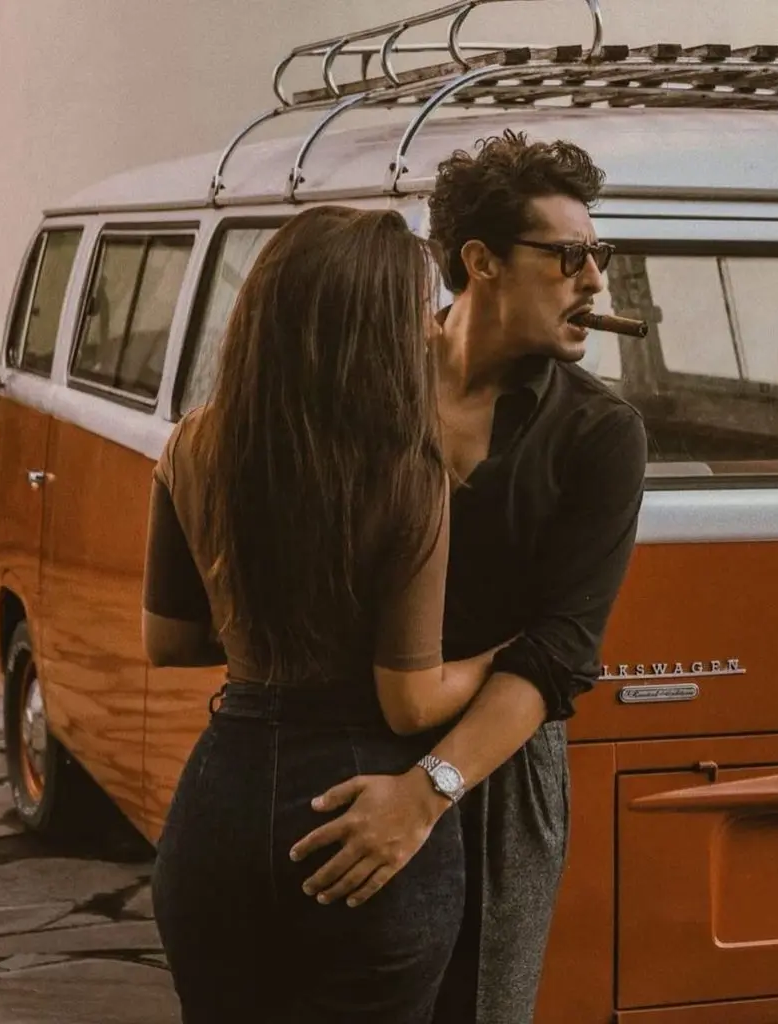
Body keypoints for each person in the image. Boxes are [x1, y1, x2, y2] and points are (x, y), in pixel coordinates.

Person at [289, 132, 648, 1024]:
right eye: (567, 257)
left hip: (496, 775)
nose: (594, 282)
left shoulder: (599, 434)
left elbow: (559, 649)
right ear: (481, 261)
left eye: (598, 256)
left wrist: (425, 794)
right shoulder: (366, 381)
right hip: (336, 742)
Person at [142, 205, 504, 1023]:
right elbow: (409, 699)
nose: (431, 328)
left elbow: (166, 640)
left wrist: (263, 623)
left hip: (221, 802)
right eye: (418, 309)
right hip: (360, 811)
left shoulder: (193, 443)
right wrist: (498, 657)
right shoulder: (410, 474)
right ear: (372, 329)